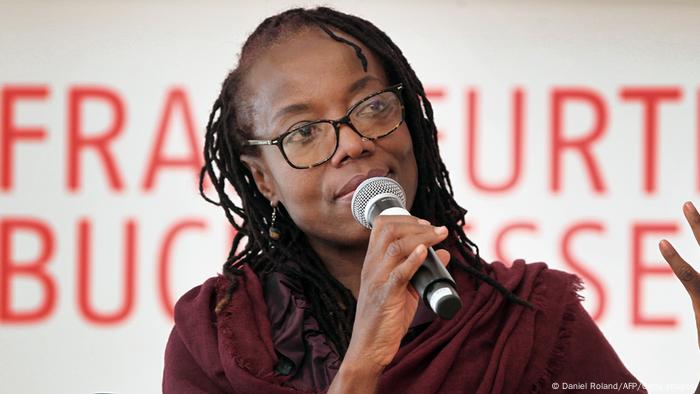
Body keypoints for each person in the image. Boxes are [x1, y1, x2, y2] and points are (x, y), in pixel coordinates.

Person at [163, 7, 700, 393]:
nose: (353, 142)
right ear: (263, 180)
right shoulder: (216, 340)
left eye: (371, 106)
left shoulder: (527, 318)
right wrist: (363, 362)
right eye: (304, 131)